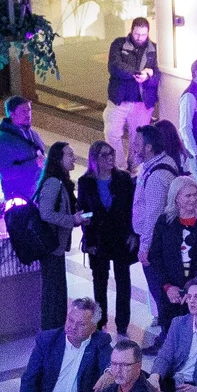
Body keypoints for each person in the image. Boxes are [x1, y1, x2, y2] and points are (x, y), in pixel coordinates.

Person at [12, 298, 106, 392]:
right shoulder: (48, 339)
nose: (72, 327)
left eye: (81, 324)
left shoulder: (100, 341)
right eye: (70, 320)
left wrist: (108, 372)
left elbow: (109, 362)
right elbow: (30, 378)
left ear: (93, 327)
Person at [78, 141, 140, 337]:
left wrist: (133, 233)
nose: (110, 158)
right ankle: (100, 320)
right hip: (99, 238)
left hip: (121, 236)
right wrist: (89, 241)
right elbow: (83, 212)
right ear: (95, 159)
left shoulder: (122, 179)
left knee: (123, 280)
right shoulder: (85, 182)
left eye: (112, 154)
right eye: (105, 155)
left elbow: (133, 209)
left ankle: (122, 322)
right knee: (100, 280)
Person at [132, 121, 187, 336]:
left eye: (137, 143)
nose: (133, 147)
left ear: (148, 148)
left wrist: (145, 247)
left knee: (161, 290)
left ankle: (167, 337)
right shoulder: (160, 165)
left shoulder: (156, 176)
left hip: (156, 244)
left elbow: (153, 215)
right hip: (161, 241)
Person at [150, 176, 197, 338]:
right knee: (171, 333)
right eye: (188, 195)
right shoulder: (164, 222)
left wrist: (192, 289)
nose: (193, 199)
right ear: (176, 198)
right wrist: (167, 286)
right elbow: (155, 256)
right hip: (170, 290)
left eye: (195, 195)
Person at [28, 139, 81, 330]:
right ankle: (52, 330)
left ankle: (56, 328)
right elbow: (46, 213)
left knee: (57, 291)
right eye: (69, 154)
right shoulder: (53, 183)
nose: (74, 157)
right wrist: (71, 220)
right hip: (51, 247)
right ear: (58, 159)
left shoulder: (60, 181)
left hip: (55, 247)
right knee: (53, 292)